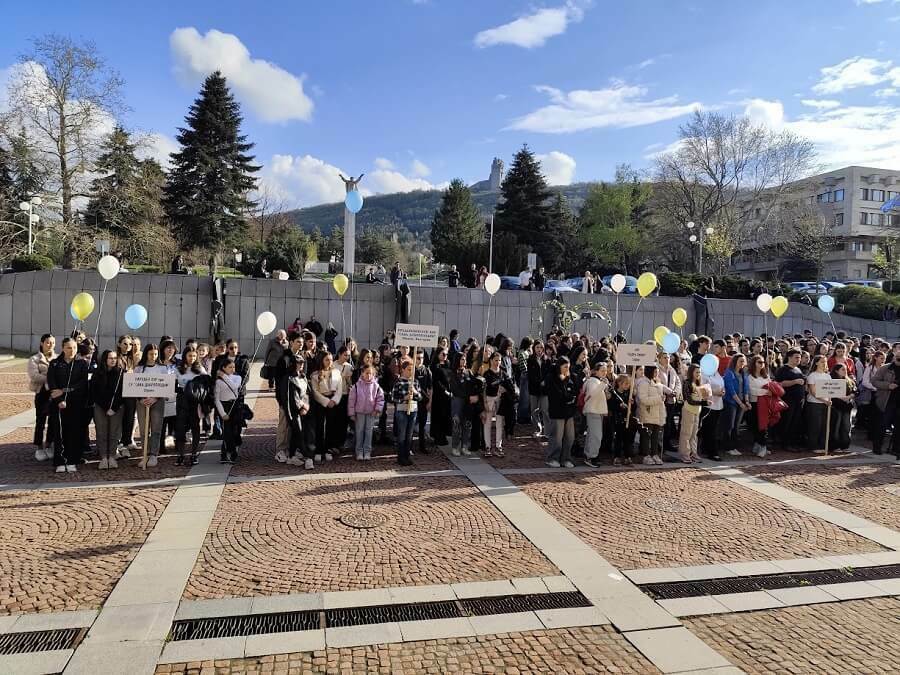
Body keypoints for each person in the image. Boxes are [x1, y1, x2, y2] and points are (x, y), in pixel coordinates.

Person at [46, 337, 90, 473]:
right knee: (59, 433)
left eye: (75, 348)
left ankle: (72, 460)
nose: (72, 351)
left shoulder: (82, 364)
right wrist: (59, 400)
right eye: (69, 348)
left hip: (75, 403)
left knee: (73, 432)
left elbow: (83, 383)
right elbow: (52, 383)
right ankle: (60, 460)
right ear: (63, 348)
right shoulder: (54, 363)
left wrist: (66, 391)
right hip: (58, 404)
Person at [134, 344, 168, 468]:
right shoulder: (139, 368)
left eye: (155, 354)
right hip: (142, 402)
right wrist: (141, 399)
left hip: (157, 401)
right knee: (143, 430)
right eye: (151, 354)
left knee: (156, 428)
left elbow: (165, 386)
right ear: (146, 354)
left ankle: (154, 454)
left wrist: (155, 398)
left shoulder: (162, 368)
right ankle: (145, 454)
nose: (153, 356)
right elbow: (134, 385)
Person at [91, 350, 124, 469]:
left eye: (115, 358)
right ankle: (103, 457)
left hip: (117, 408)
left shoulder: (121, 373)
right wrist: (105, 408)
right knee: (102, 432)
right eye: (110, 358)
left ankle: (112, 456)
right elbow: (94, 392)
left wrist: (114, 408)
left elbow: (122, 393)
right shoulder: (97, 373)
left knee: (114, 433)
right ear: (105, 359)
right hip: (101, 407)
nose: (113, 360)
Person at [175, 347, 207, 465]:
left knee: (195, 427)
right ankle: (180, 454)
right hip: (182, 400)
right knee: (180, 428)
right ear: (184, 356)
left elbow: (206, 384)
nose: (192, 358)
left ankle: (194, 454)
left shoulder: (200, 369)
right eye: (189, 356)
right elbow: (173, 385)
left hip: (195, 401)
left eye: (194, 356)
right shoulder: (178, 369)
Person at [546, 356, 578, 468]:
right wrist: (569, 397)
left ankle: (566, 458)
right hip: (557, 412)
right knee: (557, 437)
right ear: (559, 366)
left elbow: (575, 392)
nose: (566, 370)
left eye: (568, 367)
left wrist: (571, 399)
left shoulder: (572, 377)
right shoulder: (552, 378)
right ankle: (553, 458)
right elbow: (557, 395)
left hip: (569, 412)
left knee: (570, 437)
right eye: (565, 367)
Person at [348, 363, 385, 461]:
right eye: (366, 373)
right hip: (359, 412)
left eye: (371, 373)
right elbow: (351, 400)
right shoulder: (356, 386)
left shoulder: (376, 387)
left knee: (369, 432)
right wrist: (351, 413)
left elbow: (380, 399)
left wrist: (377, 409)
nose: (368, 375)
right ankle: (359, 451)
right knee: (359, 432)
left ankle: (367, 451)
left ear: (373, 375)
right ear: (362, 373)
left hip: (371, 412)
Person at [310, 352, 343, 462]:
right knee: (320, 426)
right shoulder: (315, 375)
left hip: (333, 401)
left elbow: (340, 388)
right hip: (321, 402)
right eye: (326, 360)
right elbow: (314, 392)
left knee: (331, 425)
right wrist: (326, 401)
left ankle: (328, 449)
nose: (329, 362)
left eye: (330, 359)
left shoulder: (336, 372)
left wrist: (334, 400)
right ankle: (319, 450)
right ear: (321, 361)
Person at [28, 333, 56, 459]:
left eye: (53, 343)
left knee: (53, 421)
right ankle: (39, 447)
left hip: (55, 393)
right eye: (48, 342)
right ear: (42, 343)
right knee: (40, 420)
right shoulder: (34, 359)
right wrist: (50, 378)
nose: (50, 345)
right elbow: (34, 375)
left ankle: (49, 444)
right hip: (42, 393)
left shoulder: (57, 358)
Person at [391, 359, 423, 466]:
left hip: (413, 410)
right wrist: (404, 398)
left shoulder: (415, 382)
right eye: (409, 370)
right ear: (403, 370)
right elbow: (393, 398)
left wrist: (414, 392)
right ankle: (401, 457)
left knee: (409, 435)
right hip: (402, 410)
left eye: (412, 370)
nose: (411, 372)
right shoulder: (399, 382)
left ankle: (407, 455)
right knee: (402, 434)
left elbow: (420, 397)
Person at [774, 349, 806, 450]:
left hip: (798, 401)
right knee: (787, 421)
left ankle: (792, 442)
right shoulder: (783, 369)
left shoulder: (798, 369)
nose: (798, 359)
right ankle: (785, 443)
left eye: (800, 358)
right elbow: (779, 383)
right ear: (789, 357)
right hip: (788, 400)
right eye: (796, 357)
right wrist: (795, 381)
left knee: (795, 422)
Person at [214, 357, 243, 464]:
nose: (232, 369)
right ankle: (227, 453)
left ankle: (231, 450)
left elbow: (234, 386)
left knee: (235, 430)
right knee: (227, 431)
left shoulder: (237, 377)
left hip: (235, 405)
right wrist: (222, 413)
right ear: (223, 368)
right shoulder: (218, 382)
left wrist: (224, 376)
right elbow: (217, 399)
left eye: (233, 367)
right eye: (230, 367)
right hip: (224, 406)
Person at [637, 365, 666, 465]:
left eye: (657, 372)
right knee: (646, 436)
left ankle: (655, 454)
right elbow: (643, 399)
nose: (657, 374)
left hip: (657, 414)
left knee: (655, 436)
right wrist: (659, 399)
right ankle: (646, 455)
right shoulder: (643, 383)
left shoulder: (656, 382)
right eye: (655, 372)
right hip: (647, 413)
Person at [582, 361, 609, 468]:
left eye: (605, 371)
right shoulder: (593, 381)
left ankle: (589, 454)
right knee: (596, 435)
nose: (604, 373)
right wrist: (603, 385)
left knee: (592, 435)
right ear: (596, 371)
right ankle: (591, 456)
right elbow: (592, 394)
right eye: (602, 370)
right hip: (593, 411)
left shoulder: (598, 381)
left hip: (597, 411)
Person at [679, 364, 706, 463]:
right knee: (686, 433)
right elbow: (689, 399)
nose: (698, 374)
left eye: (699, 372)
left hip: (697, 411)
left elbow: (702, 397)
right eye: (696, 372)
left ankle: (693, 453)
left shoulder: (699, 384)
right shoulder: (687, 383)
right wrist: (703, 402)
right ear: (691, 372)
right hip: (688, 410)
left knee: (694, 433)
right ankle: (684, 454)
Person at [805, 355, 832, 454]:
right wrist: (824, 400)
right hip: (814, 403)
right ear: (816, 363)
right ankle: (813, 446)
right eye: (822, 361)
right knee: (815, 425)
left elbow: (830, 390)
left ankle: (822, 445)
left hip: (825, 403)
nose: (824, 363)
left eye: (825, 361)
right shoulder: (812, 375)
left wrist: (828, 400)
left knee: (824, 426)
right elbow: (813, 391)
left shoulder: (827, 375)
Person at [747, 355, 771, 457]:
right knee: (754, 425)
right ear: (754, 364)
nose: (762, 364)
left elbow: (771, 387)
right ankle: (757, 444)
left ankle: (763, 446)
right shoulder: (750, 377)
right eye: (759, 362)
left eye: (763, 362)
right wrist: (765, 391)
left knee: (763, 426)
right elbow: (752, 391)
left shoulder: (766, 376)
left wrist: (767, 392)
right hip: (754, 403)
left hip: (765, 404)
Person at [609, 373, 635, 465]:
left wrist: (632, 403)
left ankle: (628, 456)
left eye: (629, 384)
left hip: (627, 419)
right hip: (617, 420)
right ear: (619, 383)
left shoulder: (628, 393)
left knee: (628, 439)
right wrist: (619, 405)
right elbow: (611, 406)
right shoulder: (614, 393)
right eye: (626, 384)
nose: (628, 386)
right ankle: (617, 456)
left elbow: (633, 408)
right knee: (618, 439)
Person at [829, 364, 855, 452]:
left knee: (846, 426)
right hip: (836, 406)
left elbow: (856, 390)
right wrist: (841, 397)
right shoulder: (832, 380)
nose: (845, 371)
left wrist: (850, 396)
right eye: (842, 369)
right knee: (836, 426)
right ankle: (835, 446)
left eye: (845, 369)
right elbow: (830, 392)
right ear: (836, 371)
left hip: (847, 406)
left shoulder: (849, 380)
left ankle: (845, 445)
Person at [430, 347, 452, 448]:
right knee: (438, 416)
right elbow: (436, 381)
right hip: (439, 395)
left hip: (448, 395)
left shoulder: (448, 365)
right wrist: (444, 391)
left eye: (446, 354)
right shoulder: (435, 366)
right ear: (438, 354)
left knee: (445, 416)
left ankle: (444, 435)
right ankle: (437, 436)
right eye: (443, 354)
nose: (445, 356)